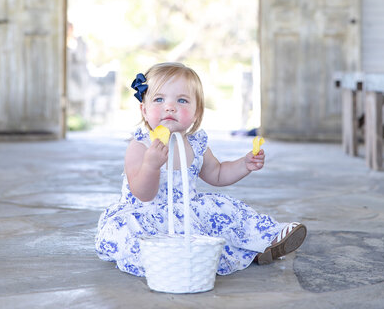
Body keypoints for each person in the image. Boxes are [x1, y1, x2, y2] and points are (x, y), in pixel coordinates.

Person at [95, 62, 307, 276]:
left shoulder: (196, 144)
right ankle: (166, 261)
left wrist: (244, 164)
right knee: (128, 230)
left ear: (196, 113)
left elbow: (217, 173)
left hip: (189, 209)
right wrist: (151, 165)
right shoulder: (140, 145)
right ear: (144, 109)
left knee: (227, 212)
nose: (170, 106)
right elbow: (142, 193)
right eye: (159, 99)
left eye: (182, 100)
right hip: (148, 213)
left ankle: (268, 239)